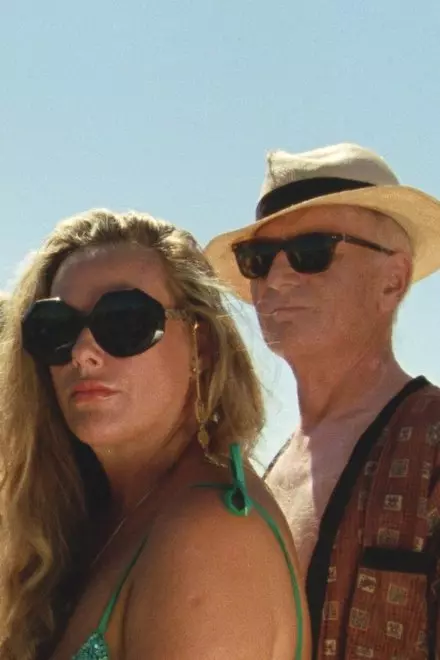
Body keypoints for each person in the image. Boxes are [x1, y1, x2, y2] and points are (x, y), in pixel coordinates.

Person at [0, 209, 311, 660]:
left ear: (202, 346)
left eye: (125, 321)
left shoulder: (210, 540)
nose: (83, 352)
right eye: (56, 328)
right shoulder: (102, 512)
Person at [205, 143, 440, 659]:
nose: (276, 279)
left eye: (312, 251)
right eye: (258, 260)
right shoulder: (263, 473)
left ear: (393, 280)